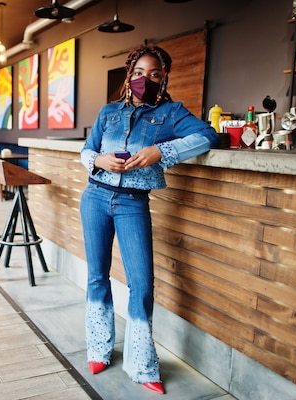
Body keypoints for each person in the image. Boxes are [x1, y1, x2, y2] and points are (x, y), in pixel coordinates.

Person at [79, 45, 219, 395]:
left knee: (141, 284)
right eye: (139, 73)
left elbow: (208, 135)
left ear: (164, 78)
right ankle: (98, 349)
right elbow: (86, 150)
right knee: (97, 276)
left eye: (154, 74)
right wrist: (99, 161)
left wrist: (162, 151)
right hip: (95, 196)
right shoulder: (108, 111)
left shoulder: (171, 113)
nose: (146, 79)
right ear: (129, 76)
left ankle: (141, 365)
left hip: (132, 203)